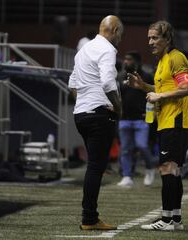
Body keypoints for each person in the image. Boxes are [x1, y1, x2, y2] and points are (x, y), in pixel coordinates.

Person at [127, 20, 188, 231]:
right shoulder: (163, 60)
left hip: (176, 120)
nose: (150, 42)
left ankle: (166, 219)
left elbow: (185, 88)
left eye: (155, 37)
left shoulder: (177, 57)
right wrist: (143, 86)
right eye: (149, 38)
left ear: (167, 38)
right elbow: (162, 88)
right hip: (165, 121)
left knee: (167, 168)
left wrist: (159, 95)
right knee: (173, 170)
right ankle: (175, 220)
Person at [68, 15, 123, 230]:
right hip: (99, 114)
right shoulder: (107, 49)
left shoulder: (84, 49)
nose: (120, 39)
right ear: (115, 30)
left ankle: (89, 216)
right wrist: (118, 107)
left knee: (93, 166)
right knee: (95, 168)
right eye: (121, 35)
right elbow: (108, 82)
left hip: (81, 113)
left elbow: (72, 82)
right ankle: (89, 218)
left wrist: (84, 101)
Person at [116, 51, 156, 188]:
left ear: (137, 62)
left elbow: (154, 94)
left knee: (142, 146)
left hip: (141, 118)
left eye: (129, 59)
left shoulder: (146, 76)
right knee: (125, 149)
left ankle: (150, 169)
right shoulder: (120, 76)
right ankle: (127, 176)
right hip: (124, 119)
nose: (126, 62)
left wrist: (152, 113)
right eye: (125, 59)